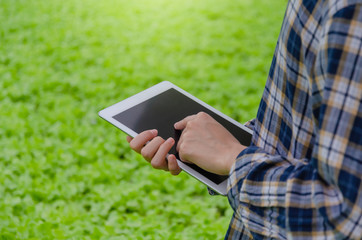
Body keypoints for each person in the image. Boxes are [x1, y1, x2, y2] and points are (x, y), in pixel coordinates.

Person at [126, 0, 362, 239]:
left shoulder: (349, 13)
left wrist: (231, 157)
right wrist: (214, 150)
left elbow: (343, 219)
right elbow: (303, 126)